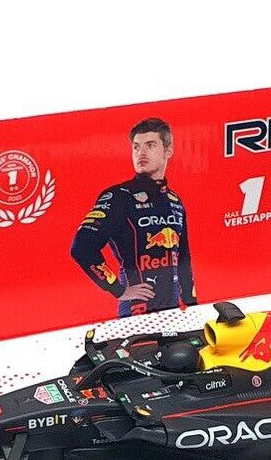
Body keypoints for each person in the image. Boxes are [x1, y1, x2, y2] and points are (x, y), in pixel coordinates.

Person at [71, 117, 196, 317]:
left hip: (172, 312)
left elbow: (183, 257)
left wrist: (192, 305)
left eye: (150, 145)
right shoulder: (118, 196)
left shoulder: (175, 201)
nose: (141, 152)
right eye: (136, 147)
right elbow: (82, 247)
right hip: (136, 310)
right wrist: (117, 289)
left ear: (168, 151)